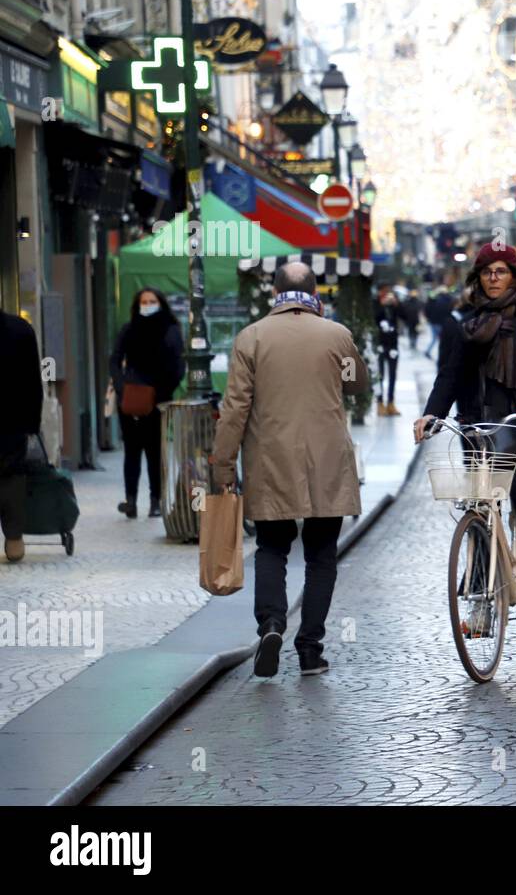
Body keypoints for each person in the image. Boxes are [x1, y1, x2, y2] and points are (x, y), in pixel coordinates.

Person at [211, 262, 369, 677]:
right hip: (327, 462)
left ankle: (271, 624)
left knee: (271, 548)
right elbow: (357, 384)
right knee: (321, 556)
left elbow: (234, 411)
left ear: (274, 293)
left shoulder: (252, 337)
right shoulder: (337, 334)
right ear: (314, 294)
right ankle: (310, 648)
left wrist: (222, 466)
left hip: (270, 460)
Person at [415, 243, 516, 571]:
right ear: (477, 277)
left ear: (514, 277)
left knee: (509, 474)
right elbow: (451, 375)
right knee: (479, 510)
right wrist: (431, 414)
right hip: (475, 424)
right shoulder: (468, 324)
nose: (493, 278)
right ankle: (479, 598)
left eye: (500, 271)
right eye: (486, 272)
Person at [108, 288, 185, 519]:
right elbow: (114, 359)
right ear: (137, 304)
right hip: (131, 400)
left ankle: (155, 501)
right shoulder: (129, 328)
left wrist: (161, 392)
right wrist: (122, 388)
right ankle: (130, 500)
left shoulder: (171, 330)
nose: (148, 304)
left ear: (160, 303)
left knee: (155, 452)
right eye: (144, 301)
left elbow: (177, 366)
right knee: (131, 451)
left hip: (158, 400)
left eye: (152, 301)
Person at [0, 309, 43, 562]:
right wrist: (33, 423)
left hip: (13, 420)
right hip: (13, 420)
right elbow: (33, 380)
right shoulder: (20, 329)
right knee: (12, 477)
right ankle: (14, 538)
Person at [374, 285, 402, 416]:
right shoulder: (375, 303)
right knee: (380, 375)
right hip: (380, 343)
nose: (386, 293)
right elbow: (374, 317)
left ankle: (391, 402)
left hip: (393, 344)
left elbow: (405, 316)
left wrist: (397, 304)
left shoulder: (393, 305)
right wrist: (381, 305)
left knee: (392, 375)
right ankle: (380, 403)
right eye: (384, 291)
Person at [423, 279, 456, 360]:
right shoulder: (450, 300)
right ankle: (438, 354)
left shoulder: (434, 299)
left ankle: (429, 351)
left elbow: (427, 309)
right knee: (441, 340)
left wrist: (429, 318)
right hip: (443, 323)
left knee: (435, 338)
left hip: (434, 322)